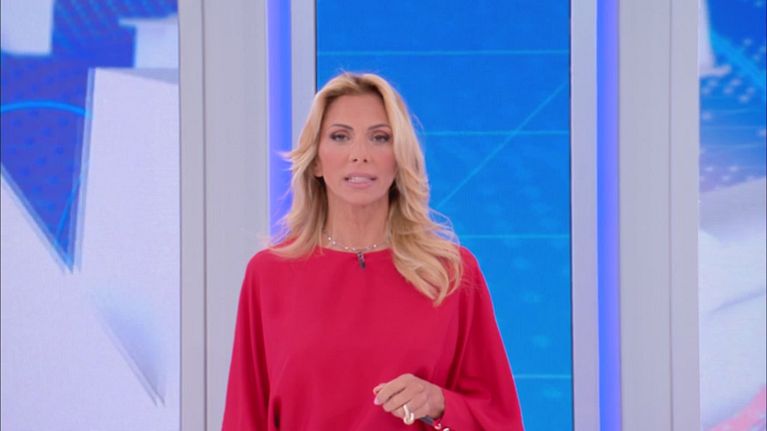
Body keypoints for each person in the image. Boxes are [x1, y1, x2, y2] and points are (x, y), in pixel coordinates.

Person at [222, 72, 524, 430]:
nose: (360, 155)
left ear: (399, 158)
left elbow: (500, 419)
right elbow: (245, 416)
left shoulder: (451, 272)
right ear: (316, 160)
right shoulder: (269, 273)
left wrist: (440, 403)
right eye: (340, 136)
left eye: (380, 138)